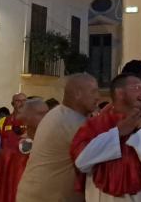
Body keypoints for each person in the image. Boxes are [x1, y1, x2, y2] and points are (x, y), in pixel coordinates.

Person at [71, 73, 141, 201]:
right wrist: (117, 133)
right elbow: (81, 161)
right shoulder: (95, 126)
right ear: (120, 93)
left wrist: (140, 129)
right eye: (137, 88)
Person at [17, 73, 99, 202]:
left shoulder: (60, 114)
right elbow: (96, 157)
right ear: (78, 93)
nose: (97, 97)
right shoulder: (73, 122)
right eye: (93, 92)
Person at [0, 98, 47, 202]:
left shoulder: (50, 142)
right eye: (41, 113)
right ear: (28, 116)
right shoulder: (12, 145)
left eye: (47, 113)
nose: (46, 117)